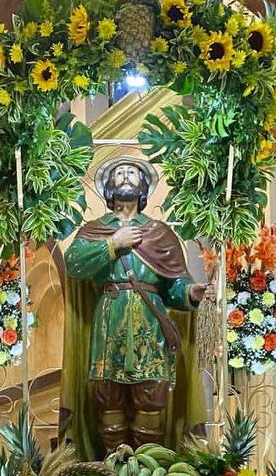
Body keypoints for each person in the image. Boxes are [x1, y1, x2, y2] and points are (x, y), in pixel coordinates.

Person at [59, 157, 211, 457]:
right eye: (118, 173)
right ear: (108, 187)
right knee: (108, 395)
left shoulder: (159, 232)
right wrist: (112, 244)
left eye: (132, 173)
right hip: (110, 318)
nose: (126, 177)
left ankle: (147, 469)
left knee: (151, 394)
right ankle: (115, 465)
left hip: (150, 320)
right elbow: (74, 263)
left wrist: (190, 292)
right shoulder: (94, 230)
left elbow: (173, 286)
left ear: (143, 188)